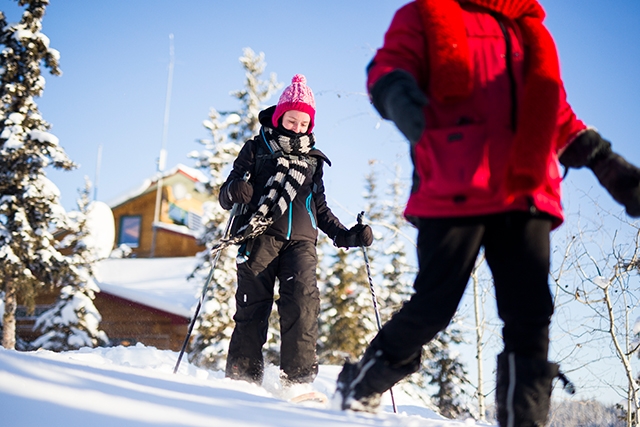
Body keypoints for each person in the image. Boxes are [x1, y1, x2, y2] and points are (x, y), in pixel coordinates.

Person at [334, 0, 640, 425]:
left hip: (525, 193)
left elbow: (556, 115)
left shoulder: (531, 31)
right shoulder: (425, 13)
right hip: (452, 183)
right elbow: (387, 68)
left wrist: (611, 167)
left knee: (531, 317)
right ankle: (359, 387)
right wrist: (400, 98)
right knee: (434, 306)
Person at [219, 74, 373, 388]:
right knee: (252, 310)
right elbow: (225, 195)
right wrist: (236, 189)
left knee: (303, 307)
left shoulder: (313, 162)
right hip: (259, 238)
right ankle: (242, 379)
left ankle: (298, 382)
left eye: (304, 123)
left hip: (301, 244)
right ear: (280, 117)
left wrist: (347, 236)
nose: (298, 128)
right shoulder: (256, 150)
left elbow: (321, 209)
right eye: (292, 120)